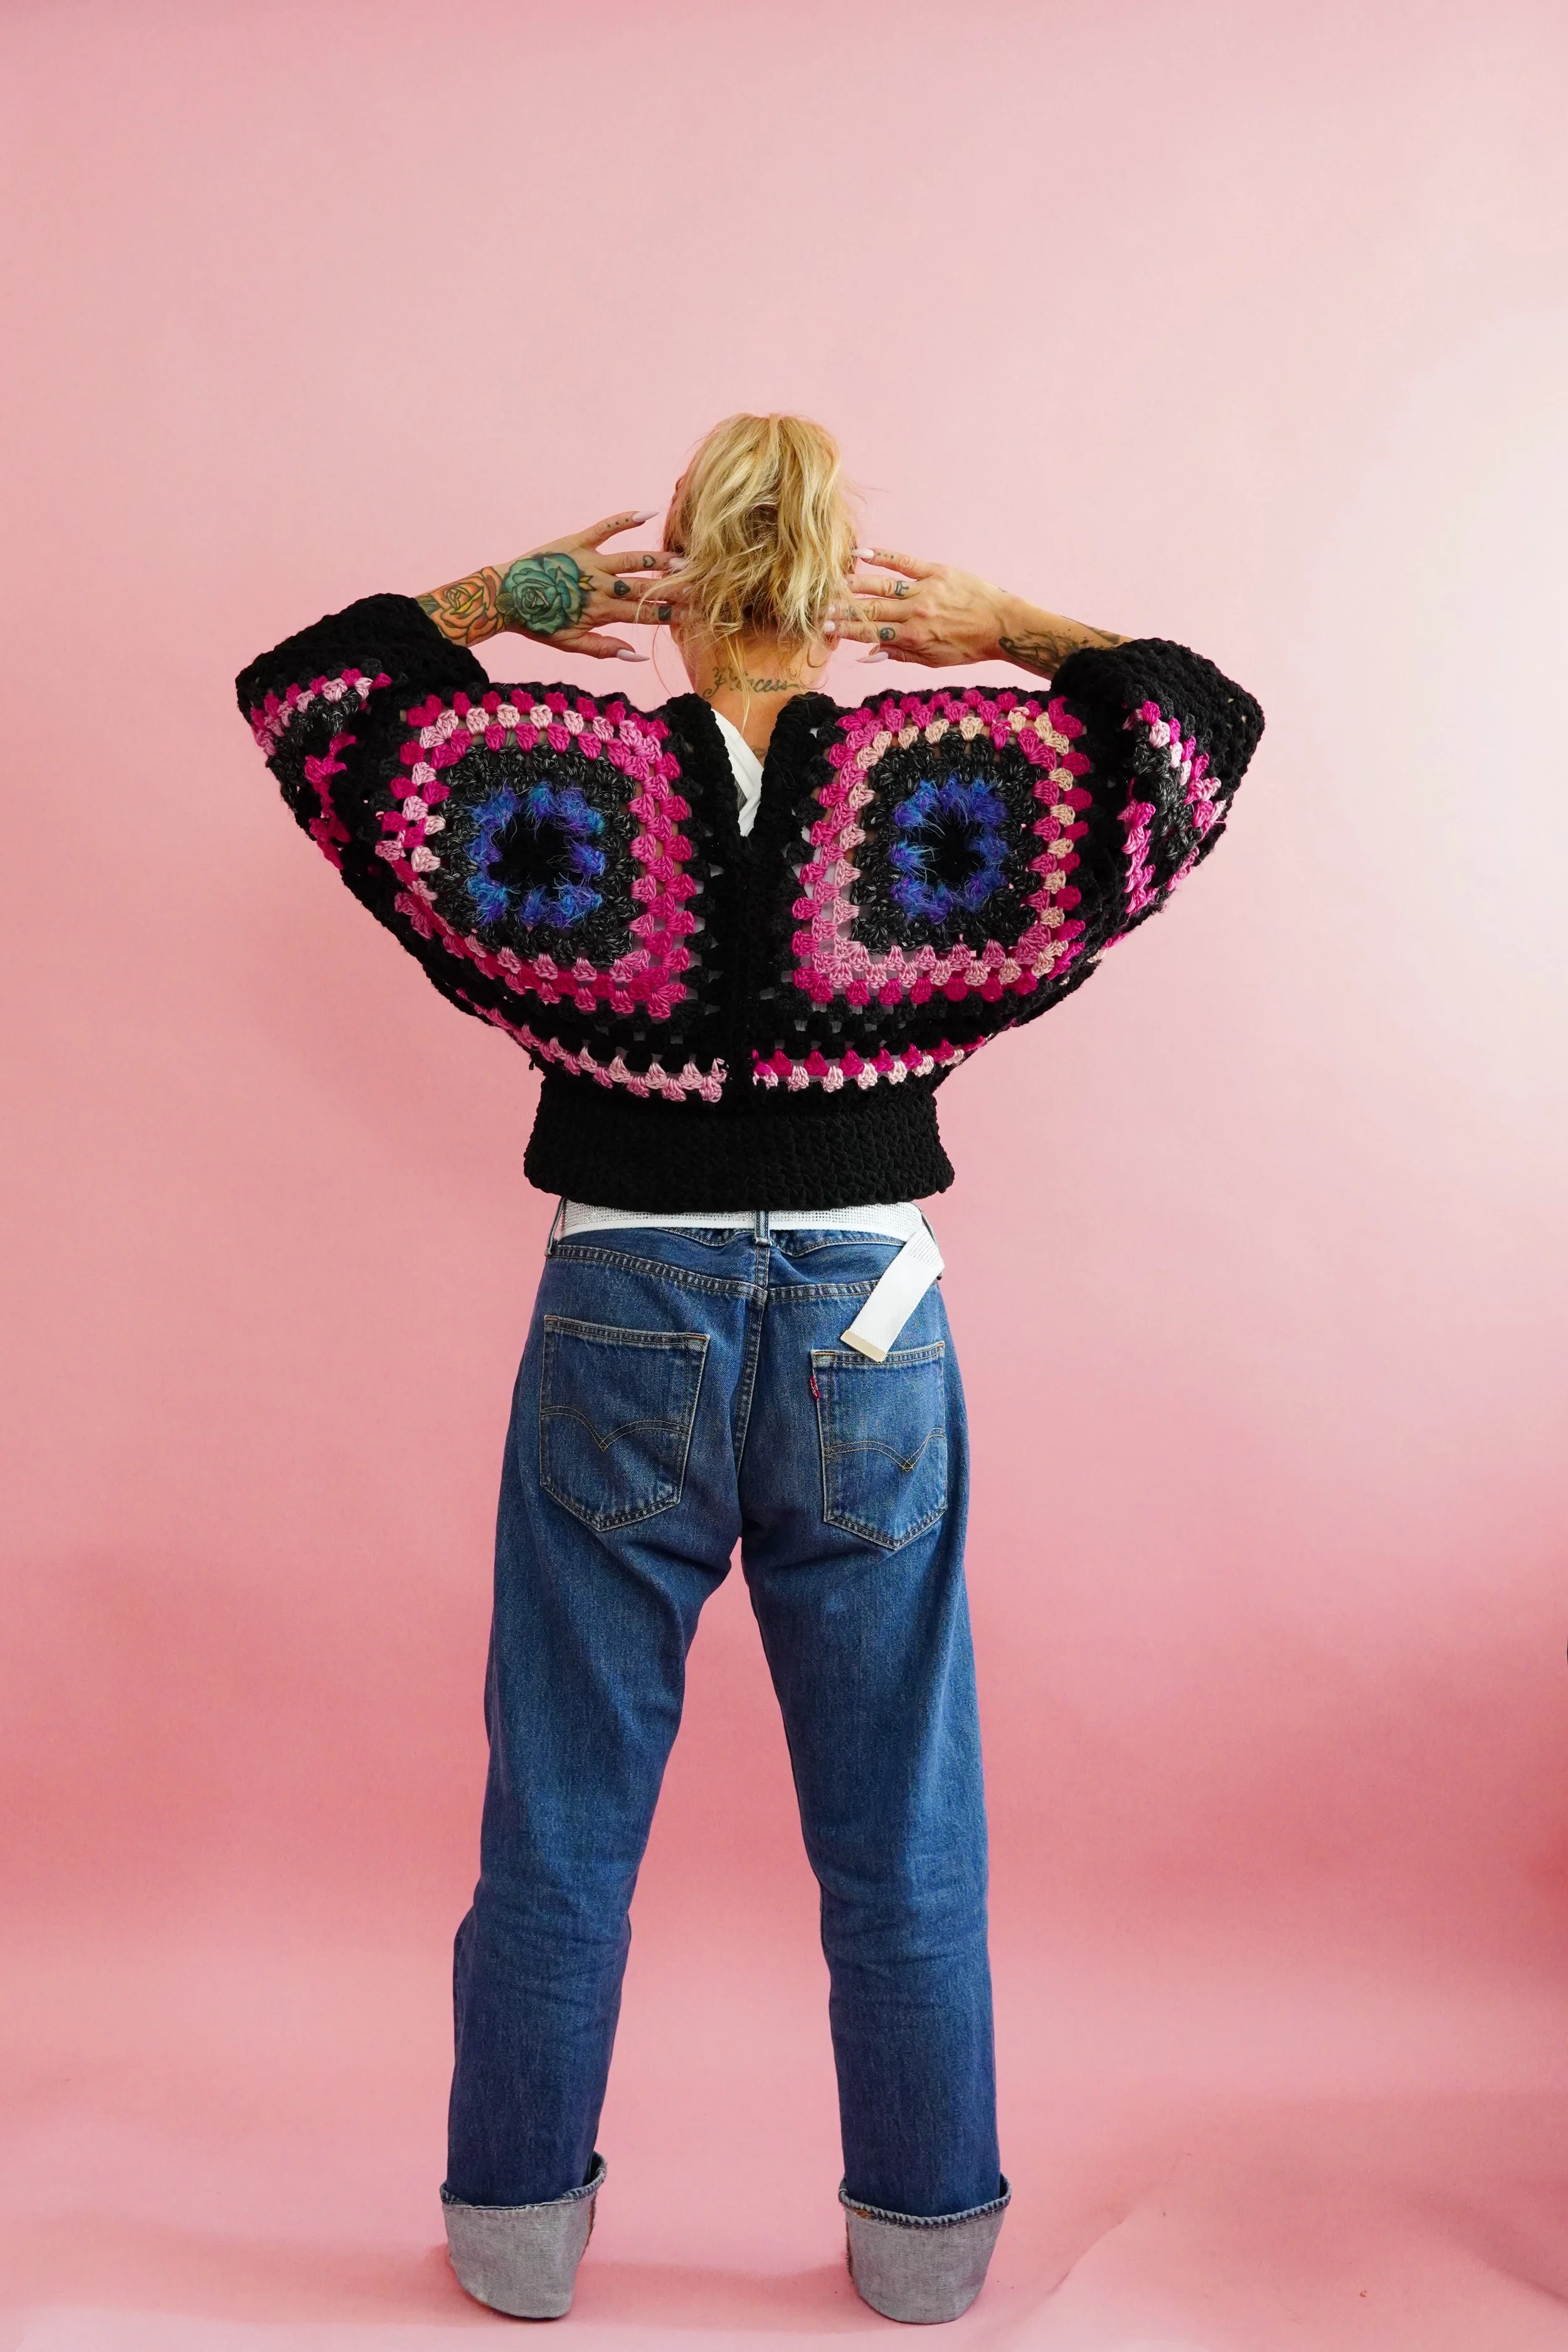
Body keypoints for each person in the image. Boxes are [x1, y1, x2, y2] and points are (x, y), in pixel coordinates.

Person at [236, 413, 1263, 2324]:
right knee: (899, 1810)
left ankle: (516, 2239)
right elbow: (1196, 727)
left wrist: (508, 603)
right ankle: (925, 2243)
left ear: (686, 572)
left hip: (619, 1300)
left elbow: (308, 698)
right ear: (838, 564)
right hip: (870, 1314)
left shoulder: (549, 777)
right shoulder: (959, 781)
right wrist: (1004, 629)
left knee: (560, 1805)